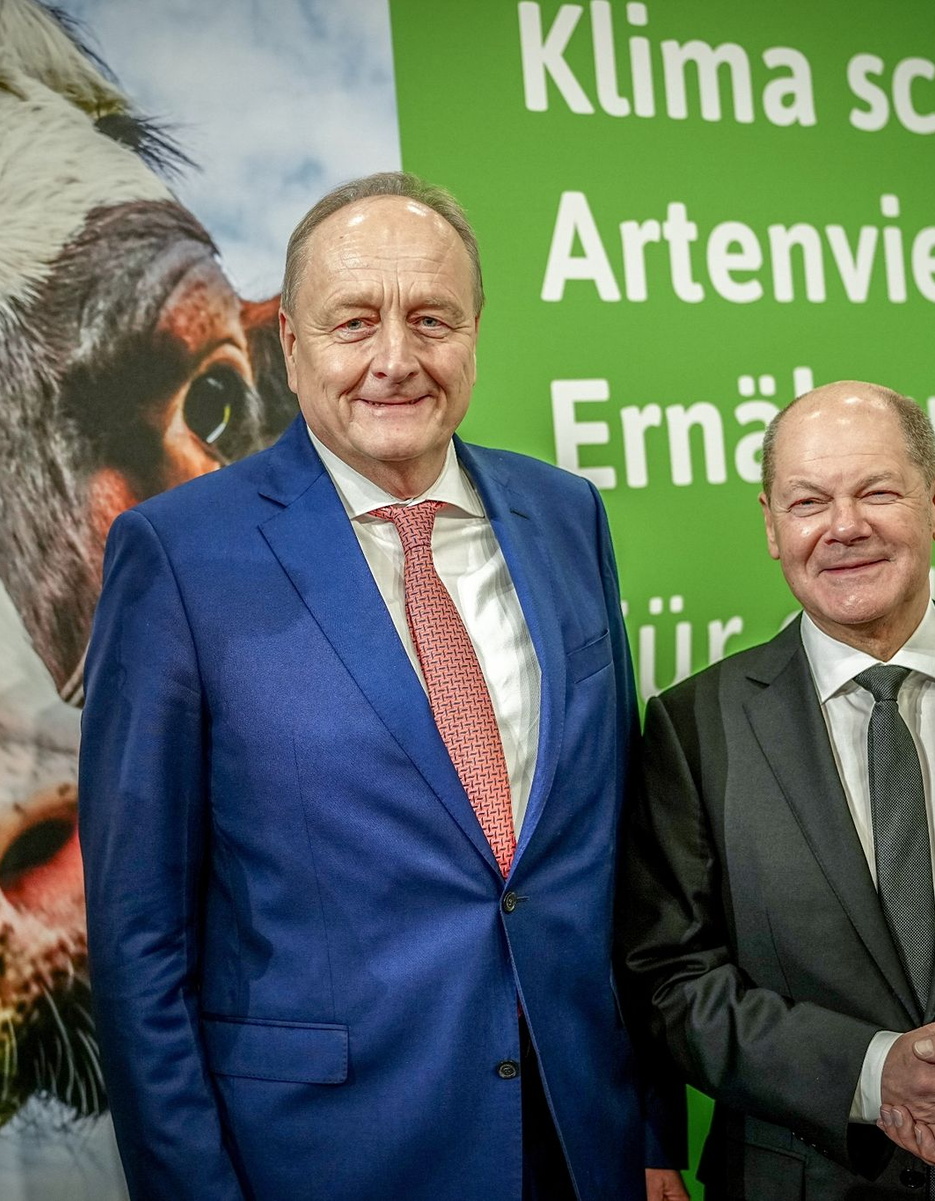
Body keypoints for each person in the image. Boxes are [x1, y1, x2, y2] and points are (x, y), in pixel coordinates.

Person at [79, 171, 685, 1201]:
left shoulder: (567, 515)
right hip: (329, 1154)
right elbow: (142, 941)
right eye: (355, 321)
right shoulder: (178, 555)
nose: (396, 359)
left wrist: (653, 1130)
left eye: (431, 319)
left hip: (580, 1137)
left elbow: (618, 856)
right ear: (291, 345)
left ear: (475, 333)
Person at [620, 380, 935, 1198]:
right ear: (771, 525)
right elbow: (672, 982)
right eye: (808, 501)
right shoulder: (693, 727)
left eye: (877, 491)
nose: (844, 525)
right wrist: (872, 1069)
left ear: (932, 499)